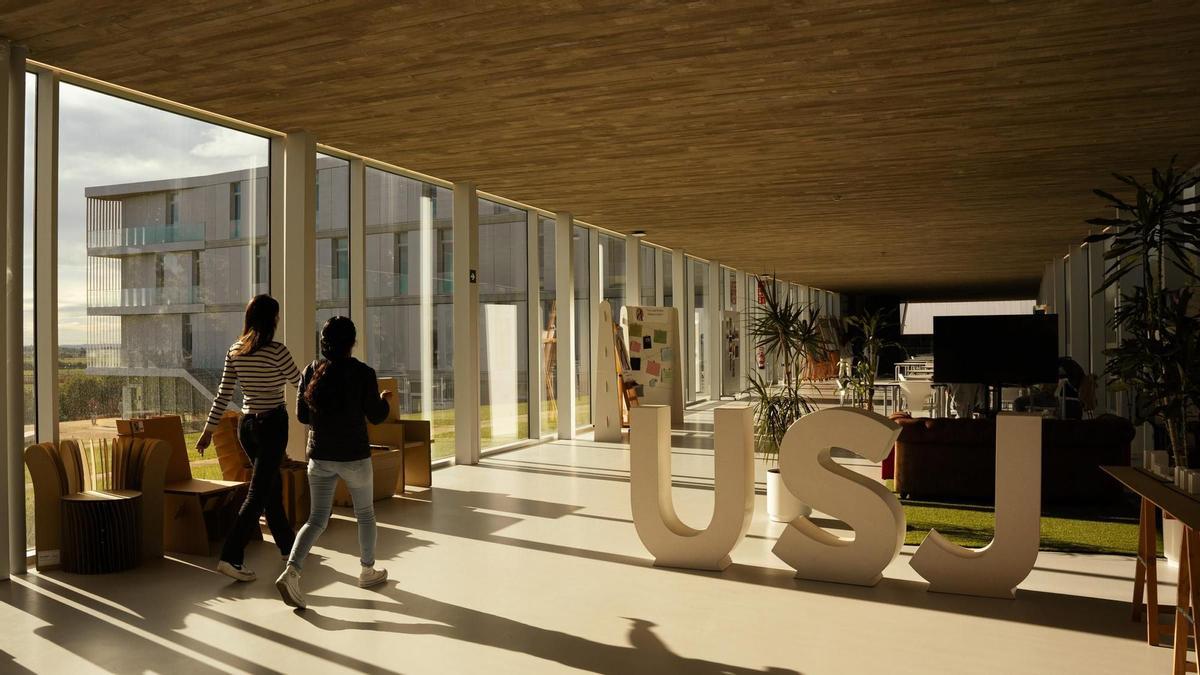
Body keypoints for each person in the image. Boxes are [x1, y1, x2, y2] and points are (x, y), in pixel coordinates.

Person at [275, 316, 392, 610]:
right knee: (365, 514)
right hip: (354, 456)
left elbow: (303, 416)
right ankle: (367, 571)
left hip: (320, 457)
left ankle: (292, 571)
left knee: (316, 520)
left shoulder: (311, 370)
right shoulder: (363, 373)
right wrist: (384, 399)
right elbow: (377, 415)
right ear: (352, 342)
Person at [195, 294, 300, 582]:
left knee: (270, 487)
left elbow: (223, 395)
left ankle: (289, 549)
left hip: (247, 427)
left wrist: (207, 432)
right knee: (258, 493)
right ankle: (230, 557)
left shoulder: (236, 351)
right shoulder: (277, 351)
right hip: (273, 425)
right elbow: (300, 382)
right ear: (272, 320)